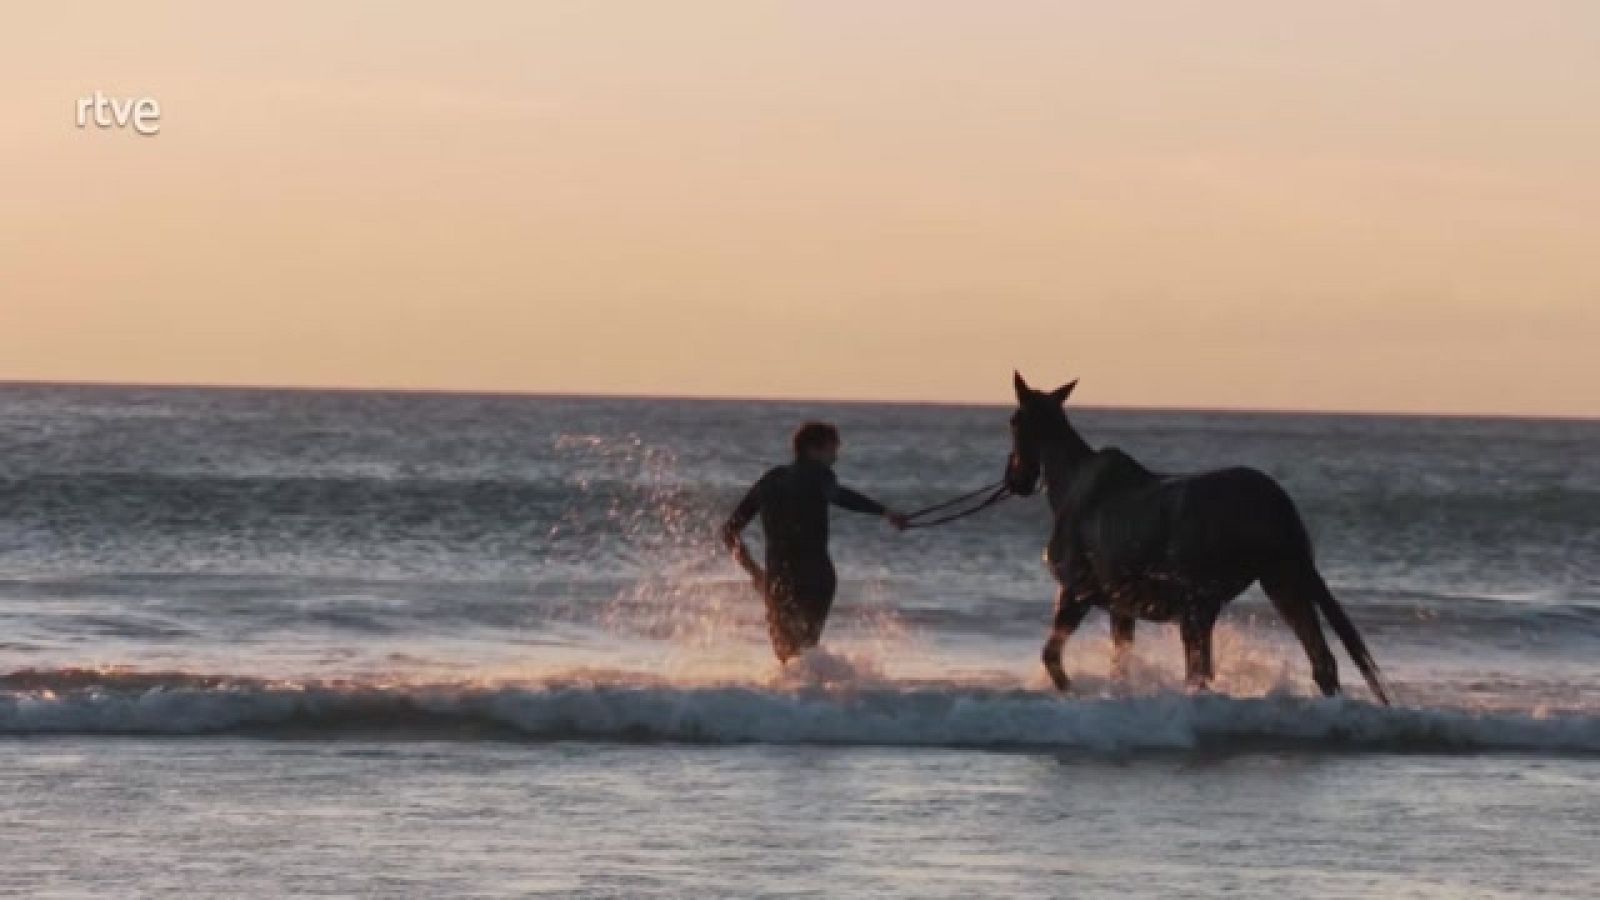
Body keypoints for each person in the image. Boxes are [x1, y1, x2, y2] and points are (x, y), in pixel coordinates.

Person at [721, 421, 909, 663]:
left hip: (777, 578)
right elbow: (840, 496)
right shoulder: (821, 475)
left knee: (786, 657)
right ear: (813, 449)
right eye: (832, 450)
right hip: (814, 576)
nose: (835, 458)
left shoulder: (770, 479)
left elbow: (729, 531)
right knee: (805, 651)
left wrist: (755, 572)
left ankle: (791, 700)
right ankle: (811, 697)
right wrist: (884, 512)